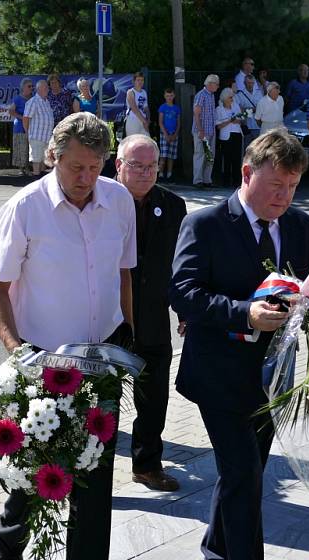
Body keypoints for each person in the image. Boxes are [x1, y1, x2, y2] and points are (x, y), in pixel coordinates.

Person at [0, 112, 135, 560]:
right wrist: (17, 351)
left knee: (95, 477)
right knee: (39, 472)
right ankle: (10, 538)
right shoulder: (25, 209)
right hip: (44, 366)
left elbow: (125, 273)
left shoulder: (117, 201)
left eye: (95, 167)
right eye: (75, 167)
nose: (85, 178)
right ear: (53, 156)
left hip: (104, 362)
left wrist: (129, 331)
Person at [171, 128, 309, 560]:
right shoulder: (206, 225)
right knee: (244, 475)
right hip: (218, 375)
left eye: (293, 186)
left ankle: (217, 557)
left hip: (272, 378)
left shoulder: (303, 228)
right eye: (276, 185)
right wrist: (244, 313)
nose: (285, 196)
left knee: (247, 468)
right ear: (246, 173)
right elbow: (183, 293)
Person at [115, 134, 186, 493]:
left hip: (154, 316)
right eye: (137, 166)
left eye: (151, 166)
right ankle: (90, 471)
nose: (145, 173)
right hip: (108, 318)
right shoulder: (101, 202)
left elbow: (182, 265)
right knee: (102, 400)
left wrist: (185, 309)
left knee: (154, 396)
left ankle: (147, 464)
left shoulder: (173, 206)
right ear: (119, 166)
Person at [22, 79, 55, 176]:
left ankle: (41, 182)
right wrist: (27, 133)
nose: (48, 89)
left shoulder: (46, 102)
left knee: (44, 161)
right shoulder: (33, 101)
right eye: (45, 87)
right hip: (36, 137)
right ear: (39, 89)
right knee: (36, 160)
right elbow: (26, 118)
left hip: (46, 137)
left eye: (47, 87)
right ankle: (36, 179)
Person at [193, 74, 220, 188]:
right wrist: (200, 130)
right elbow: (196, 113)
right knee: (200, 154)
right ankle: (197, 180)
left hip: (211, 130)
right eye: (216, 84)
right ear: (210, 84)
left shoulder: (211, 95)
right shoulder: (201, 95)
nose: (218, 86)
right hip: (202, 131)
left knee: (210, 155)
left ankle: (207, 179)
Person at [216, 88, 244, 188]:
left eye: (232, 97)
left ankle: (237, 180)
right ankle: (226, 181)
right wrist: (229, 121)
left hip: (237, 134)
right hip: (225, 136)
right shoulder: (219, 109)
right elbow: (218, 126)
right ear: (225, 98)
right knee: (227, 159)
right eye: (230, 97)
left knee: (237, 159)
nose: (232, 99)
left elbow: (241, 119)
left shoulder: (236, 106)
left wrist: (237, 120)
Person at [8, 78, 34, 175]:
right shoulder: (18, 99)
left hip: (31, 127)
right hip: (20, 127)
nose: (31, 88)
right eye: (29, 86)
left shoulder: (33, 98)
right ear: (23, 88)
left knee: (28, 148)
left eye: (32, 86)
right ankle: (22, 169)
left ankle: (28, 168)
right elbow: (11, 111)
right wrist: (22, 117)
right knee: (21, 147)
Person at [158, 88, 181, 180]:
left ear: (174, 96)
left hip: (174, 134)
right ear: (164, 96)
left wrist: (175, 134)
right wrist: (166, 134)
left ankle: (169, 174)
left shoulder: (176, 108)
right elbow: (160, 122)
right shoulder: (162, 107)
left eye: (171, 96)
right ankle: (160, 174)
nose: (169, 98)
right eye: (167, 96)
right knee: (163, 155)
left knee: (171, 155)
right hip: (164, 134)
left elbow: (178, 123)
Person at [236, 74, 262, 152]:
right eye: (248, 83)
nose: (250, 85)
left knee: (258, 150)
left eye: (252, 83)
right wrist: (253, 110)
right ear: (244, 83)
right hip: (246, 127)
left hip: (258, 126)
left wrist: (247, 110)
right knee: (247, 150)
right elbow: (240, 112)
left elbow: (261, 108)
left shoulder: (259, 93)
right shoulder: (240, 94)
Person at [125, 72, 150, 136]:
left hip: (144, 121)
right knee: (133, 142)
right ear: (134, 81)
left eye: (142, 80)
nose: (140, 82)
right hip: (133, 120)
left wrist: (148, 120)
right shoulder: (130, 92)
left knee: (146, 141)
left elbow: (146, 108)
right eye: (138, 80)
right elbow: (134, 108)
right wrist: (144, 121)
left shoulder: (144, 92)